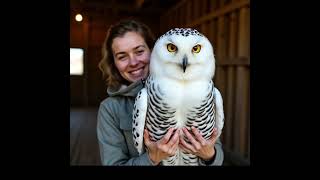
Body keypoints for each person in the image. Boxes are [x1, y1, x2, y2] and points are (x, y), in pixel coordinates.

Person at [97, 19, 224, 166]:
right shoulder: (110, 108)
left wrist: (209, 155)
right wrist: (151, 159)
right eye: (122, 56)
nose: (133, 62)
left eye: (139, 51)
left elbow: (216, 150)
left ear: (153, 50)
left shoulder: (205, 92)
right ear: (114, 63)